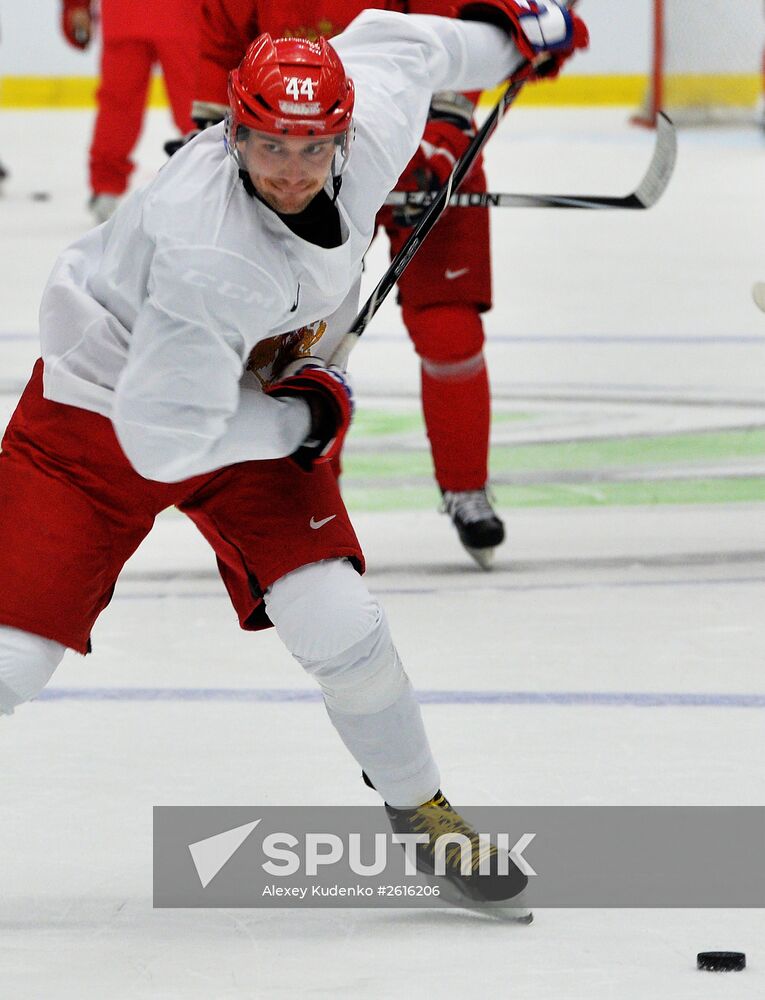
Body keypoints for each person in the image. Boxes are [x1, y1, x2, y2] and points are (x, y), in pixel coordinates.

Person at [1, 3, 586, 910]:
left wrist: (518, 35)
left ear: (345, 136)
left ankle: (419, 806)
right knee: (12, 660)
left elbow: (409, 43)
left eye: (313, 149)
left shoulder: (370, 116)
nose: (291, 170)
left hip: (247, 400)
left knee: (341, 623)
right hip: (101, 419)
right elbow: (164, 437)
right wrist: (305, 421)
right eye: (269, 146)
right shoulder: (207, 253)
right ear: (233, 133)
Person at [186, 0, 512, 569]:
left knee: (448, 328)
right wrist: (218, 142)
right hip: (298, 173)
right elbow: (220, 51)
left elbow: (445, 40)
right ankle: (308, 509)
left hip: (419, 154)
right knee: (301, 349)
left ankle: (466, 488)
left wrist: (442, 132)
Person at [60, 0, 198, 223]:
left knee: (119, 104)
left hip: (126, 15)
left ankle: (105, 186)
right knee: (195, 103)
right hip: (179, 14)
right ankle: (211, 175)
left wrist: (75, 6)